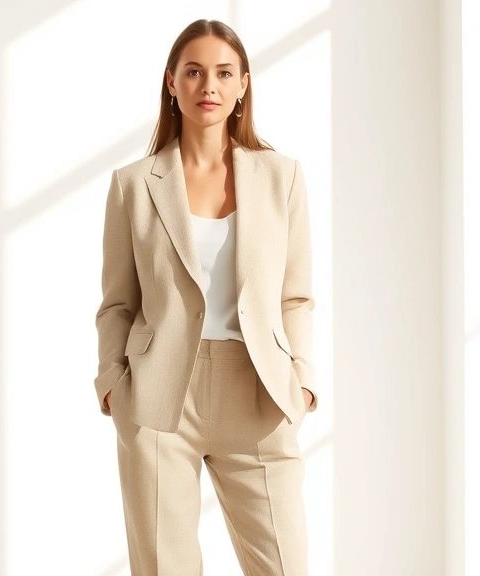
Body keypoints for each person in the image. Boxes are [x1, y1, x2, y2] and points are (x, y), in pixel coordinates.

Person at [94, 18, 317, 576]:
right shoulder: (134, 184)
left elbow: (296, 296)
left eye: (223, 73)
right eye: (193, 72)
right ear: (172, 82)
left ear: (243, 83)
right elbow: (117, 302)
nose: (208, 86)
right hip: (159, 395)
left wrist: (304, 380)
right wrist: (112, 383)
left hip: (259, 390)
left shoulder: (281, 178)